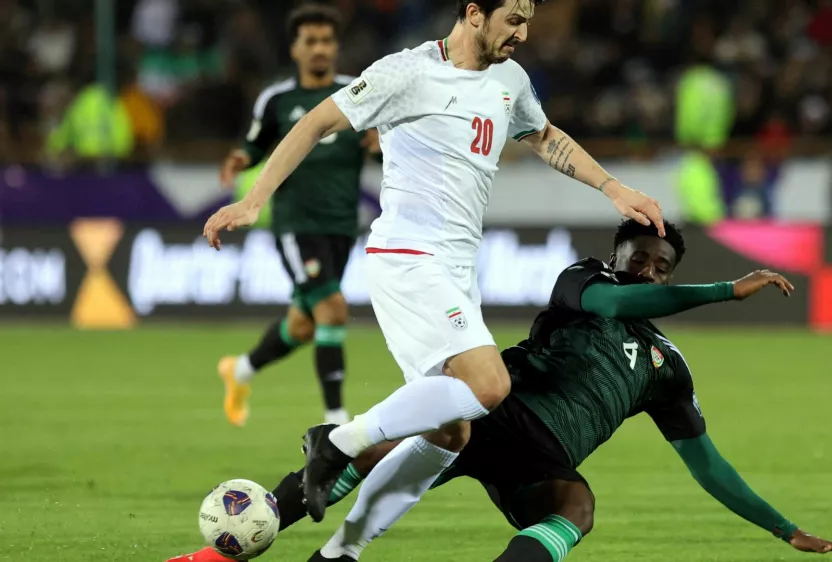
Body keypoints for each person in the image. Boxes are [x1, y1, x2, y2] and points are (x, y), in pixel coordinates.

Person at [202, 0, 665, 533]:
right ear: (474, 14)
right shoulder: (407, 72)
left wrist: (612, 187)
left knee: (452, 432)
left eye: (528, 22)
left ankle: (341, 550)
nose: (524, 33)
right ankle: (337, 440)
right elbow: (316, 121)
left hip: (458, 269)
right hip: (407, 256)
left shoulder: (510, 78)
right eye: (513, 21)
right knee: (490, 386)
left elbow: (542, 135)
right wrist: (253, 201)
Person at [170, 219, 832, 562]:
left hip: (542, 459)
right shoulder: (582, 284)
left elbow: (706, 463)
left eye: (661, 266)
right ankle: (218, 551)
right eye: (639, 259)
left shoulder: (666, 366)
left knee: (578, 506)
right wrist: (724, 291)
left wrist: (784, 528)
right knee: (373, 458)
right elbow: (615, 306)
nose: (648, 271)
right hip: (494, 409)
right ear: (617, 258)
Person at [215, 4, 380, 427]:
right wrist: (239, 158)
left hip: (342, 225)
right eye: (311, 41)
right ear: (295, 49)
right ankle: (336, 422)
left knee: (304, 326)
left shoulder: (359, 93)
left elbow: (382, 141)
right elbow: (254, 145)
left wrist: (381, 144)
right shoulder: (277, 100)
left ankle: (240, 370)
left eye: (327, 41)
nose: (320, 49)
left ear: (336, 46)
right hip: (295, 224)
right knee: (333, 309)